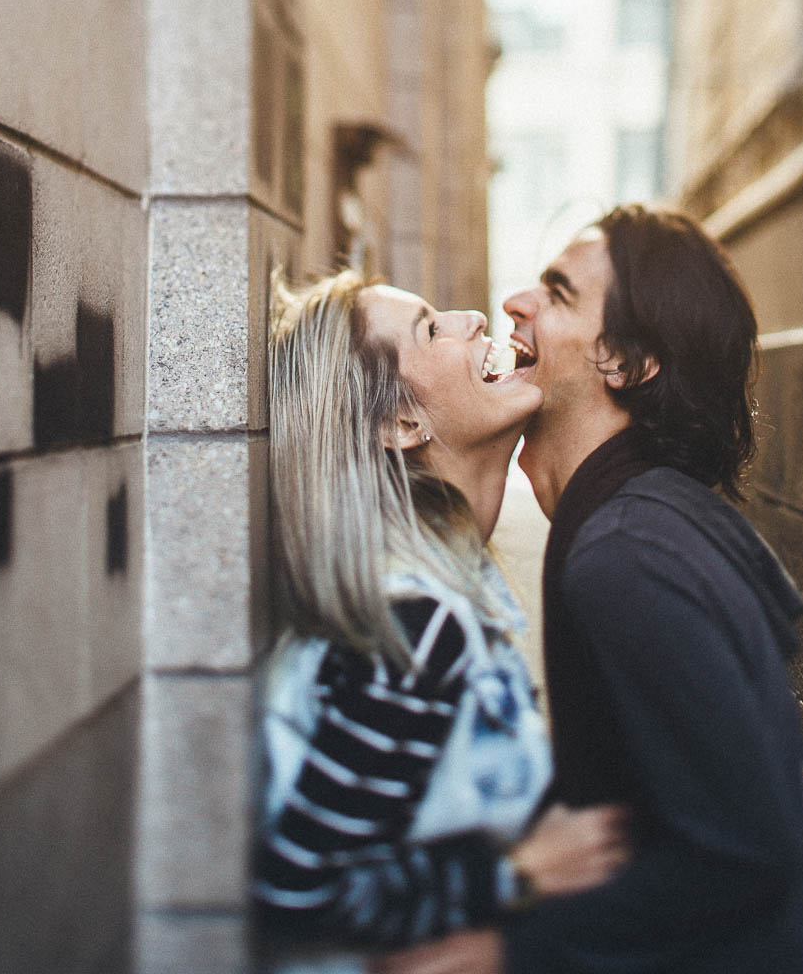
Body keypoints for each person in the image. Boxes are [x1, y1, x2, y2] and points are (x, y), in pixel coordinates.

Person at [379, 205, 803, 974]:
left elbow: (742, 854)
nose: (516, 302)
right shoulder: (634, 525)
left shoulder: (627, 558)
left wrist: (496, 951)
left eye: (556, 292)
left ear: (624, 360)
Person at [255, 271, 631, 971]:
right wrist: (517, 876)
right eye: (431, 328)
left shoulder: (442, 596)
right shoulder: (414, 625)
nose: (473, 318)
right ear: (400, 423)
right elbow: (298, 890)